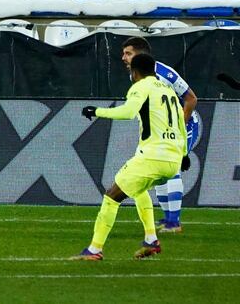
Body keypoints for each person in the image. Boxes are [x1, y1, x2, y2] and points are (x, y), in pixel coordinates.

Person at [73, 53, 187, 260]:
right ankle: (151, 240)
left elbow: (127, 112)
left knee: (112, 196)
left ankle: (94, 250)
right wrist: (184, 154)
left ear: (135, 72)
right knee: (139, 190)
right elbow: (180, 123)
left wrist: (97, 111)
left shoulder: (141, 86)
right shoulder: (169, 91)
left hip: (154, 157)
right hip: (173, 159)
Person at [121, 37, 199, 233]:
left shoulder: (162, 73)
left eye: (128, 53)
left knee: (170, 169)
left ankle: (174, 222)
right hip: (161, 130)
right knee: (160, 172)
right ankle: (168, 219)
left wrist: (179, 125)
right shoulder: (136, 74)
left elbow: (191, 98)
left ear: (141, 55)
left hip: (183, 125)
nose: (123, 57)